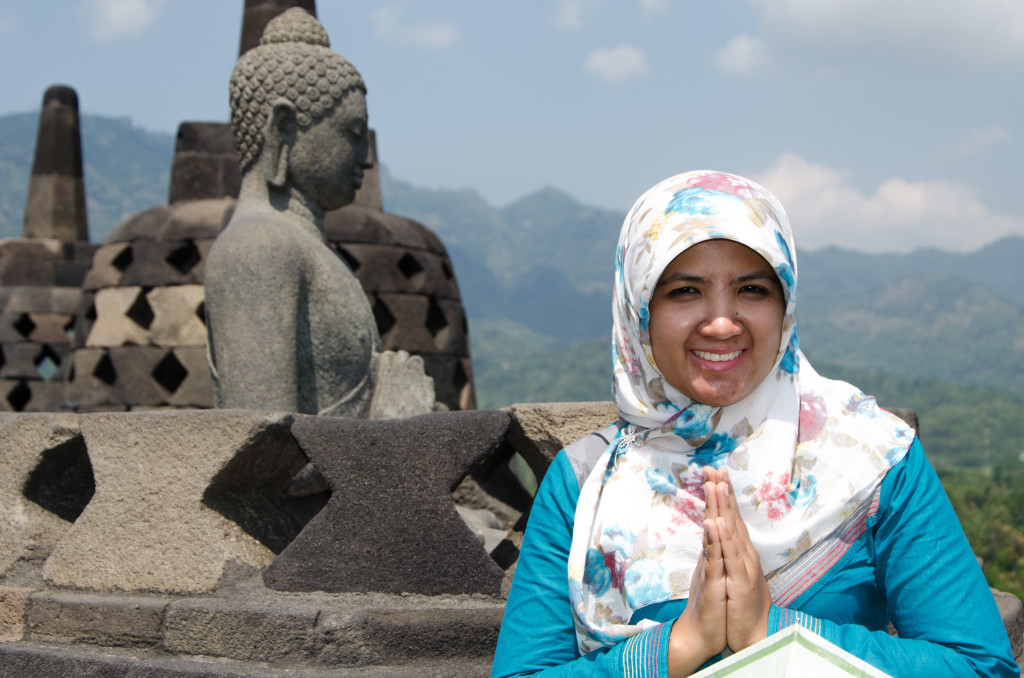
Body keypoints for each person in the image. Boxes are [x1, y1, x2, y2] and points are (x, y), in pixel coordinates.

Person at [491, 171, 1018, 677]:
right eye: (684, 291)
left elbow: (979, 666)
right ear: (638, 311)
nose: (721, 323)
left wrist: (772, 630)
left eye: (752, 290)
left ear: (785, 305)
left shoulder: (874, 461)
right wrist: (678, 647)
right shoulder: (586, 483)